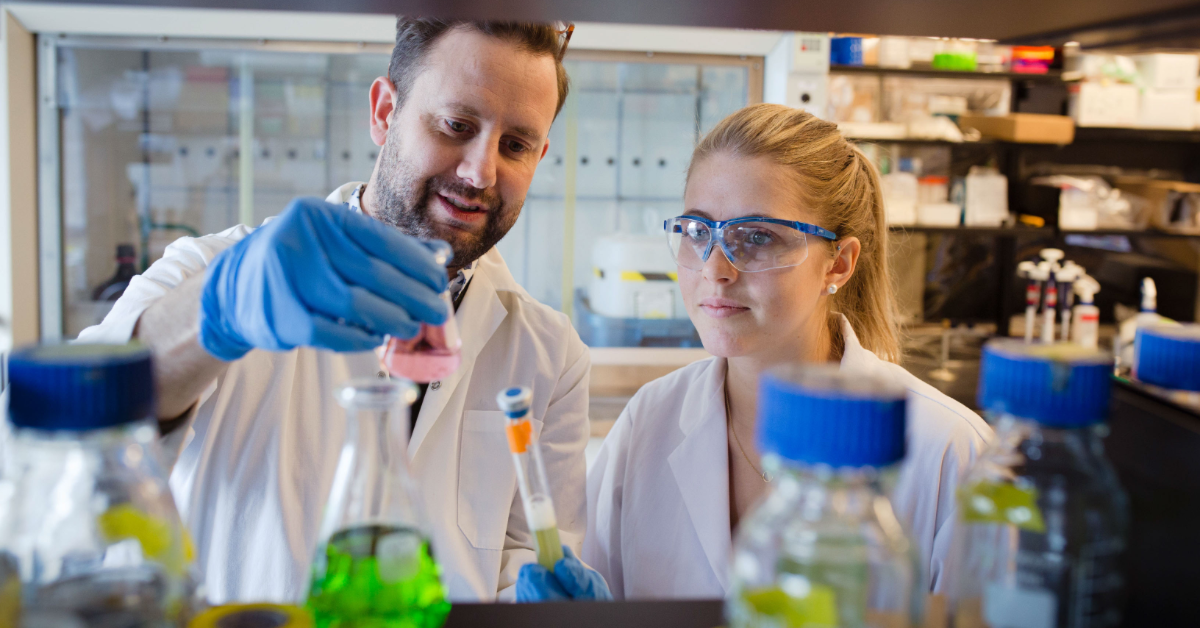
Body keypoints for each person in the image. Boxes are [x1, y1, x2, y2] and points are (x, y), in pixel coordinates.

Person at [78, 18, 591, 604]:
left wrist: (540, 606)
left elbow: (527, 557)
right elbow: (67, 442)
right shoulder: (215, 269)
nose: (481, 172)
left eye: (516, 145)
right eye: (457, 125)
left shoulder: (550, 354)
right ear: (383, 111)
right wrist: (218, 308)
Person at [579, 104, 993, 599]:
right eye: (696, 232)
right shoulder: (649, 419)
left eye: (756, 238)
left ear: (837, 264)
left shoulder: (949, 451)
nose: (716, 270)